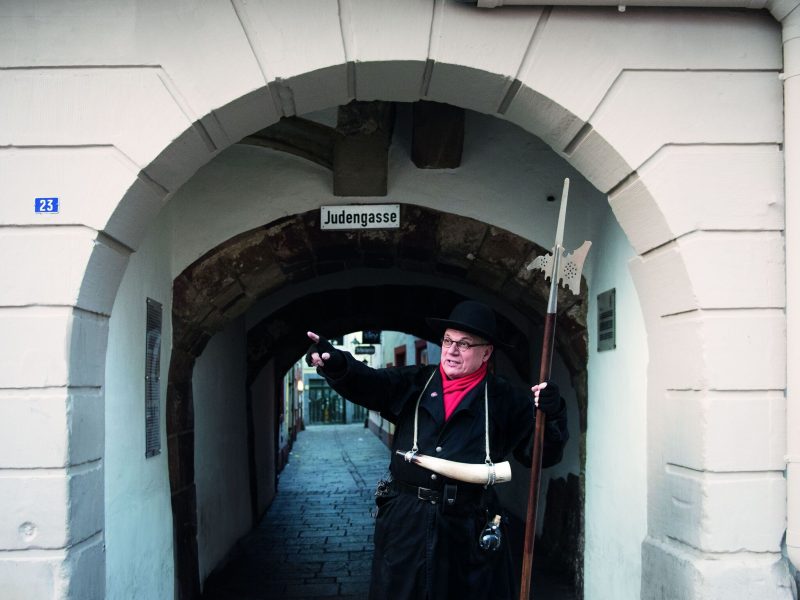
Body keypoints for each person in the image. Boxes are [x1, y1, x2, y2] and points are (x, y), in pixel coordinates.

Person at [305, 300, 569, 600]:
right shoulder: (416, 382)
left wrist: (553, 412)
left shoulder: (505, 399)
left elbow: (540, 456)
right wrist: (339, 364)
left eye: (465, 344)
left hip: (469, 527)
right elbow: (370, 383)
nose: (452, 350)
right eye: (448, 341)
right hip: (406, 523)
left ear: (487, 352)